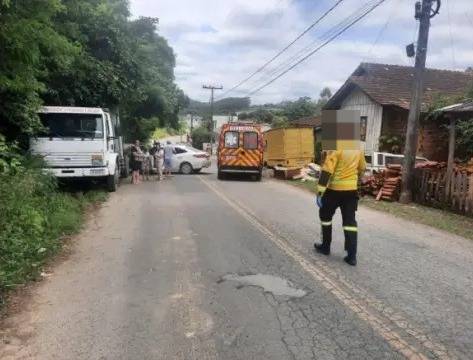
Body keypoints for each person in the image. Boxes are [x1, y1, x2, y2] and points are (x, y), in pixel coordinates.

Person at [314, 149, 366, 266]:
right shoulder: (358, 149)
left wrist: (320, 192)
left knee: (325, 217)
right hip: (351, 191)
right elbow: (362, 167)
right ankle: (352, 256)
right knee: (350, 223)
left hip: (334, 190)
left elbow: (327, 171)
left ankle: (325, 247)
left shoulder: (336, 148)